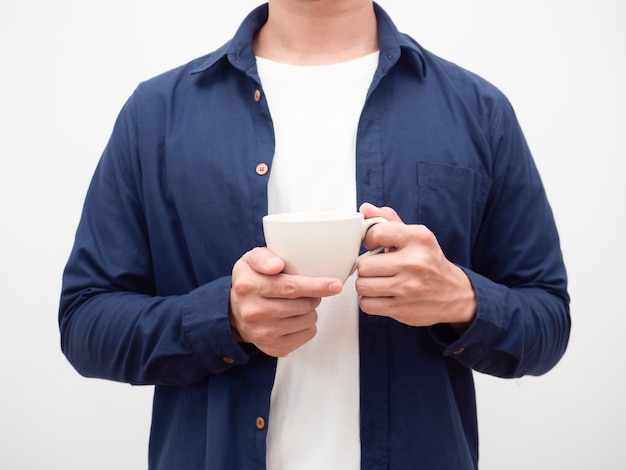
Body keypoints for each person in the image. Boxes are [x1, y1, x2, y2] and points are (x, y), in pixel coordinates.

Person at [59, 1, 571, 468]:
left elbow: (547, 320)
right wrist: (225, 318)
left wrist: (461, 299)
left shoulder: (477, 110)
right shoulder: (156, 114)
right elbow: (86, 322)